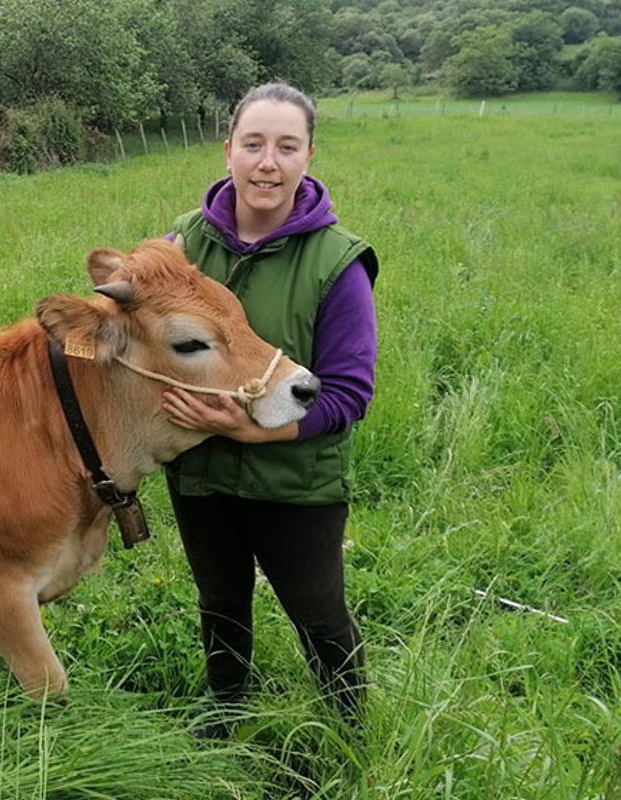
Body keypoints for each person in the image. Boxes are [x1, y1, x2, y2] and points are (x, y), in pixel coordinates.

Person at [162, 82, 378, 734]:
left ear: (308, 155)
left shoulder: (336, 263)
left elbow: (349, 394)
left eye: (287, 147)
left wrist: (258, 434)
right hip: (201, 471)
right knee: (220, 598)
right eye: (253, 144)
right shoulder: (182, 247)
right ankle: (226, 702)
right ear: (227, 149)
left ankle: (349, 720)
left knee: (316, 608)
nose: (267, 163)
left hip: (297, 480)